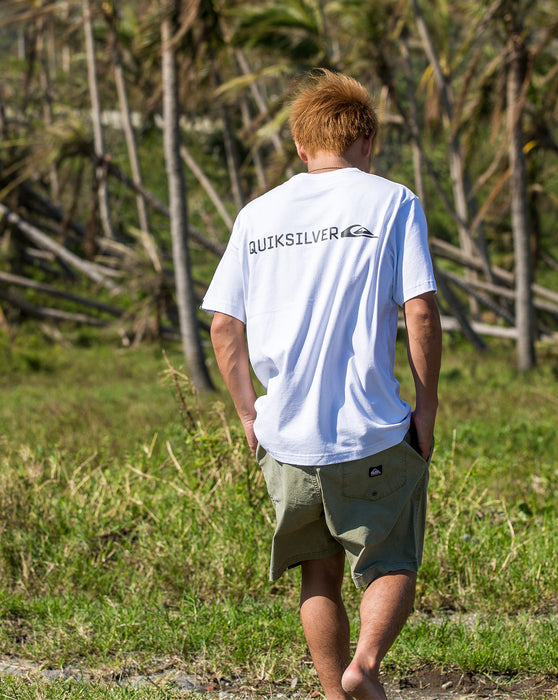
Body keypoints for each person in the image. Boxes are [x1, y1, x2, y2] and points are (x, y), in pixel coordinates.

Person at [202, 69, 441, 700]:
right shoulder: (393, 202)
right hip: (371, 430)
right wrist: (426, 408)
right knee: (391, 559)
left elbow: (224, 325)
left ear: (301, 146)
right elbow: (420, 311)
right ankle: (364, 666)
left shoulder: (257, 214)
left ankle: (335, 694)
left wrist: (249, 414)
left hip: (286, 437)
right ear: (368, 141)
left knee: (318, 573)